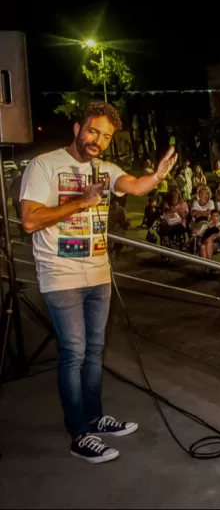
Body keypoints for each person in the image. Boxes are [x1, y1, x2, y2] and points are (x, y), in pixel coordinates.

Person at [20, 101, 178, 463]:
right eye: (94, 131)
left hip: (99, 274)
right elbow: (29, 220)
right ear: (78, 128)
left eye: (106, 136)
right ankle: (79, 433)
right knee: (73, 352)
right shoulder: (44, 165)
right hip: (61, 274)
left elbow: (134, 186)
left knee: (94, 351)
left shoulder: (105, 169)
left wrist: (156, 176)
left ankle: (94, 418)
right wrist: (81, 202)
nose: (99, 141)